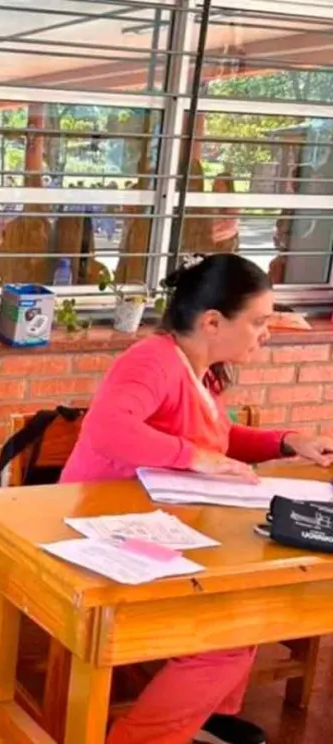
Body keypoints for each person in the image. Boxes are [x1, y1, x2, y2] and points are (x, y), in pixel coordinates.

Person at [62, 253, 333, 744]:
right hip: (102, 531)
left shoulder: (199, 371)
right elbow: (106, 426)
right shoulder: (153, 360)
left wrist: (286, 441)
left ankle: (203, 720)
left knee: (243, 613)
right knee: (226, 639)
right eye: (257, 322)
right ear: (212, 321)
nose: (265, 334)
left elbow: (219, 439)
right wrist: (194, 457)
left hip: (155, 523)